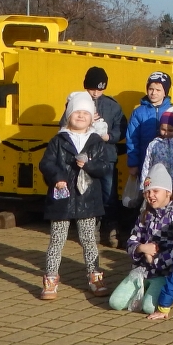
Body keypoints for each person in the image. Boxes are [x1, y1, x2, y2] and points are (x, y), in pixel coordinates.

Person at [39, 92, 117, 300]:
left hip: (87, 199)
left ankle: (95, 276)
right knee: (57, 240)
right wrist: (57, 177)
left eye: (85, 113)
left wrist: (89, 165)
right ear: (68, 115)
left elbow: (104, 167)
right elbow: (46, 163)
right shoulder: (58, 140)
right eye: (76, 112)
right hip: (61, 198)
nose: (81, 116)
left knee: (89, 240)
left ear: (92, 118)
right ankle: (50, 279)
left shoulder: (96, 141)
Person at [58, 67, 127, 246]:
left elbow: (121, 128)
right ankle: (90, 228)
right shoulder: (76, 102)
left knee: (109, 194)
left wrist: (109, 137)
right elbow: (63, 125)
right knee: (86, 192)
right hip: (83, 157)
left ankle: (110, 227)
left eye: (100, 89)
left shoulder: (112, 106)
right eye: (92, 88)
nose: (95, 92)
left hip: (106, 156)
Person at [109, 164, 173, 314]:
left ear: (168, 192)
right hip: (142, 270)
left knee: (149, 308)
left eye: (155, 191)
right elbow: (131, 241)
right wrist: (141, 248)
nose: (150, 195)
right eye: (147, 192)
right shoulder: (145, 214)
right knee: (115, 303)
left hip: (165, 273)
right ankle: (145, 286)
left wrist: (155, 260)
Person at [125, 72, 173, 212]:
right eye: (151, 89)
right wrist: (133, 163)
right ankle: (146, 219)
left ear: (165, 92)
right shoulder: (139, 112)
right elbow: (132, 139)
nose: (153, 93)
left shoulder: (172, 110)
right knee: (148, 193)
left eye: (158, 90)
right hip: (145, 161)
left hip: (169, 163)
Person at [140, 111, 173, 199]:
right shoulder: (154, 144)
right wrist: (144, 186)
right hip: (158, 186)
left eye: (170, 130)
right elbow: (147, 166)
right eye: (163, 129)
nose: (166, 133)